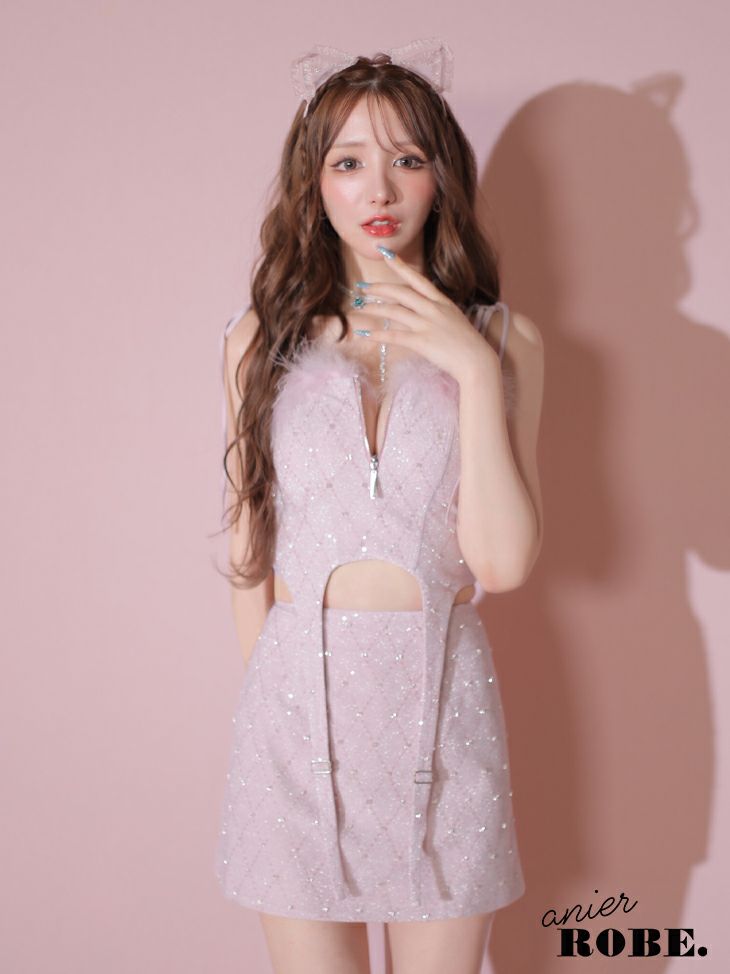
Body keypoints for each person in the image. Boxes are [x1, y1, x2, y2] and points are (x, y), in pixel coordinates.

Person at [214, 38, 544, 974]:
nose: (380, 189)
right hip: (293, 716)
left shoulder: (505, 342)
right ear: (314, 182)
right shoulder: (258, 341)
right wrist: (274, 703)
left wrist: (472, 369)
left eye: (408, 158)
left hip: (443, 708)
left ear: (443, 177)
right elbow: (249, 552)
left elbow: (503, 564)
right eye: (349, 162)